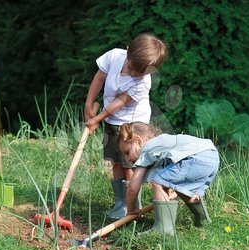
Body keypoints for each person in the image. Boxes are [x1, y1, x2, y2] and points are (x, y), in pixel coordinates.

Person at [84, 33, 167, 219]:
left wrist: (98, 118)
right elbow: (99, 78)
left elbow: (120, 102)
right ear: (128, 50)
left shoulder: (143, 82)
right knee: (115, 161)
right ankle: (120, 203)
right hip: (112, 121)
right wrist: (88, 105)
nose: (134, 75)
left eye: (141, 73)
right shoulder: (114, 56)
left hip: (132, 123)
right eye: (132, 68)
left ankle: (132, 205)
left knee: (129, 165)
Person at [118, 122, 220, 235]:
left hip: (194, 157)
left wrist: (131, 210)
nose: (127, 158)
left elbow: (132, 188)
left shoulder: (146, 150)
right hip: (212, 155)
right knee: (179, 187)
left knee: (158, 182)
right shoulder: (162, 144)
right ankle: (203, 220)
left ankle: (163, 229)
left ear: (138, 141)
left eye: (127, 152)